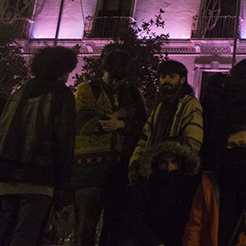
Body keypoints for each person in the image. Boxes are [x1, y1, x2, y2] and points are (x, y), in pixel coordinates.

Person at [0, 46, 78, 246]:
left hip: (6, 174)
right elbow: (64, 140)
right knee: (27, 234)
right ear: (62, 69)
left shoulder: (19, 92)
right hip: (40, 177)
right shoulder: (62, 95)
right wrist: (64, 185)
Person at [73, 49, 147, 246]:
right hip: (89, 171)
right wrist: (119, 114)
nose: (115, 82)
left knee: (115, 227)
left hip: (120, 169)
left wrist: (122, 124)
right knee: (84, 228)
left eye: (120, 79)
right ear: (104, 70)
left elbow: (144, 125)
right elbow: (84, 124)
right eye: (113, 77)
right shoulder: (86, 89)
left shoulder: (132, 92)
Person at [128, 60, 203, 183]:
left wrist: (177, 165)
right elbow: (145, 137)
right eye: (163, 77)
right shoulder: (160, 106)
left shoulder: (190, 104)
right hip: (155, 171)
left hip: (175, 172)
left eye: (172, 77)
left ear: (182, 80)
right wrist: (135, 162)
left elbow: (193, 141)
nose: (166, 80)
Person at [126, 141, 200, 246]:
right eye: (163, 162)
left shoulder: (190, 186)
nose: (169, 168)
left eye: (174, 162)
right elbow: (136, 220)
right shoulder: (145, 185)